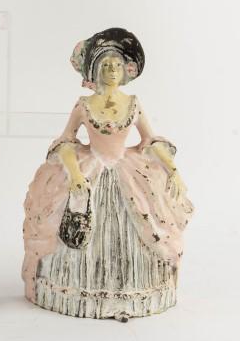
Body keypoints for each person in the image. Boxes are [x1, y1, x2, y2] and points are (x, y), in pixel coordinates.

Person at [22, 28, 194, 322]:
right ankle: (74, 291)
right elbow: (66, 142)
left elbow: (150, 140)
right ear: (95, 71)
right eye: (105, 65)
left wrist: (173, 170)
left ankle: (135, 289)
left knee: (148, 220)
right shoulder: (84, 105)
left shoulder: (133, 103)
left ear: (126, 70)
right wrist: (75, 173)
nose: (112, 70)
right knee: (69, 220)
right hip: (91, 167)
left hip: (127, 171)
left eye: (117, 64)